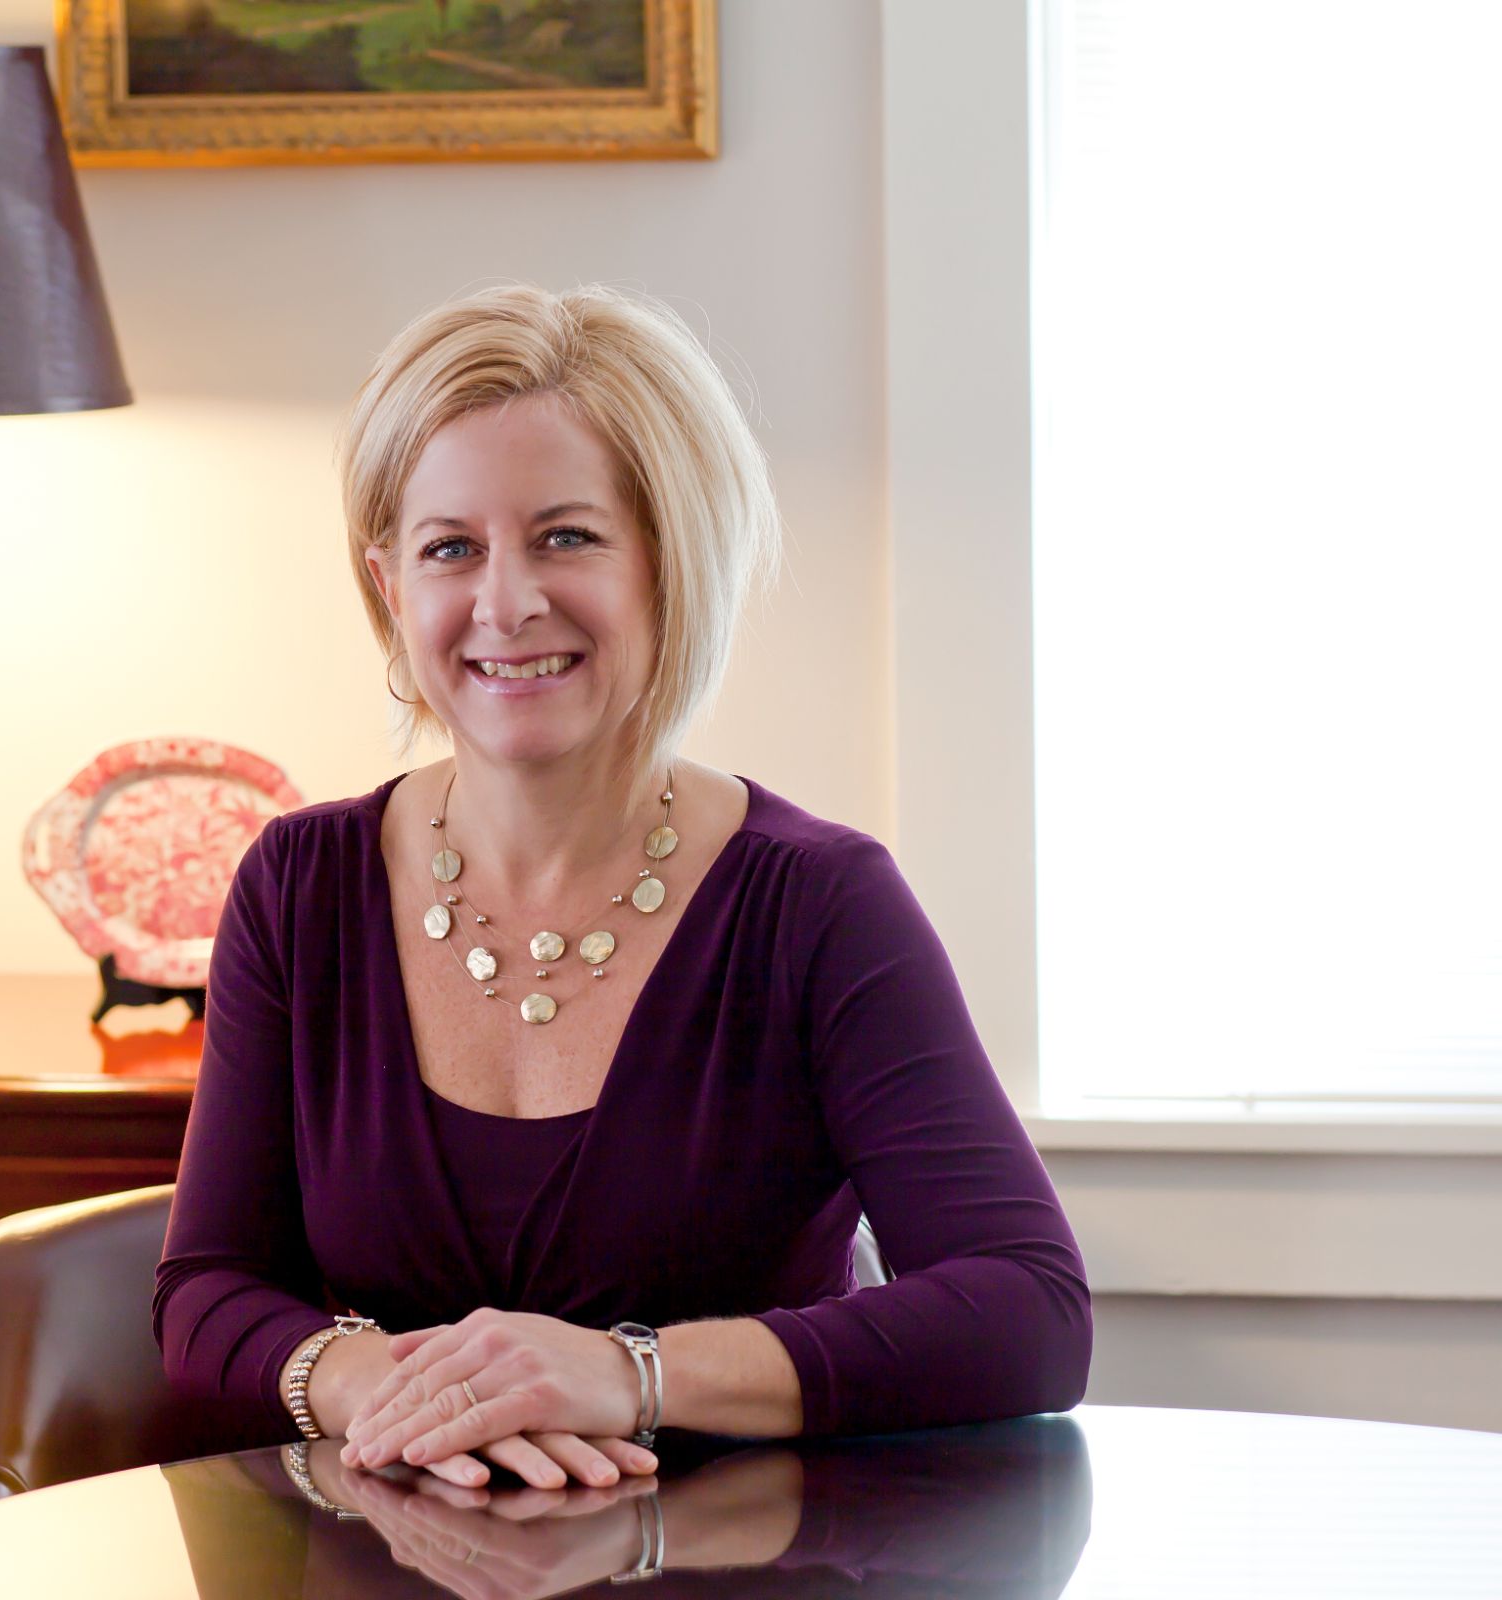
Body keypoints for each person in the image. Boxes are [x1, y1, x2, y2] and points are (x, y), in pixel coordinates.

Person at [154, 282, 1090, 1493]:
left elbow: (1025, 1308)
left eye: (565, 536)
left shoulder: (820, 904)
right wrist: (395, 1386)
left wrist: (624, 1373)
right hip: (386, 1552)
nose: (505, 603)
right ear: (389, 586)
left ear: (667, 563)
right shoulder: (297, 887)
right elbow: (206, 1293)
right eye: (449, 548)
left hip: (745, 1566)